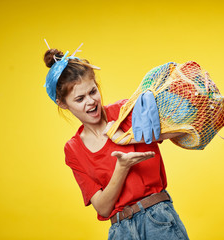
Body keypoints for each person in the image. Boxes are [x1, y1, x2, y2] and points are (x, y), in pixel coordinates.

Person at [43, 47, 189, 240]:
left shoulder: (125, 110)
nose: (91, 101)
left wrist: (126, 137)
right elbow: (103, 208)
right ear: (62, 103)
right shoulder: (73, 150)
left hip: (158, 221)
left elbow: (181, 127)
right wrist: (122, 167)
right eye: (79, 98)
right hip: (121, 231)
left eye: (93, 91)